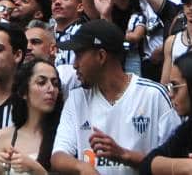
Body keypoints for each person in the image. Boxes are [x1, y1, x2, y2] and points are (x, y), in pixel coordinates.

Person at [50, 20, 180, 175]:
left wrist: (124, 155)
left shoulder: (154, 95)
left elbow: (175, 162)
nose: (75, 65)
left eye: (79, 55)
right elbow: (58, 156)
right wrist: (82, 167)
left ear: (101, 56)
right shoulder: (76, 98)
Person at [0, 59, 63, 175]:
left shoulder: (62, 136)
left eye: (55, 84)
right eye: (41, 82)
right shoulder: (3, 136)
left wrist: (36, 170)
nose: (51, 89)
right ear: (23, 92)